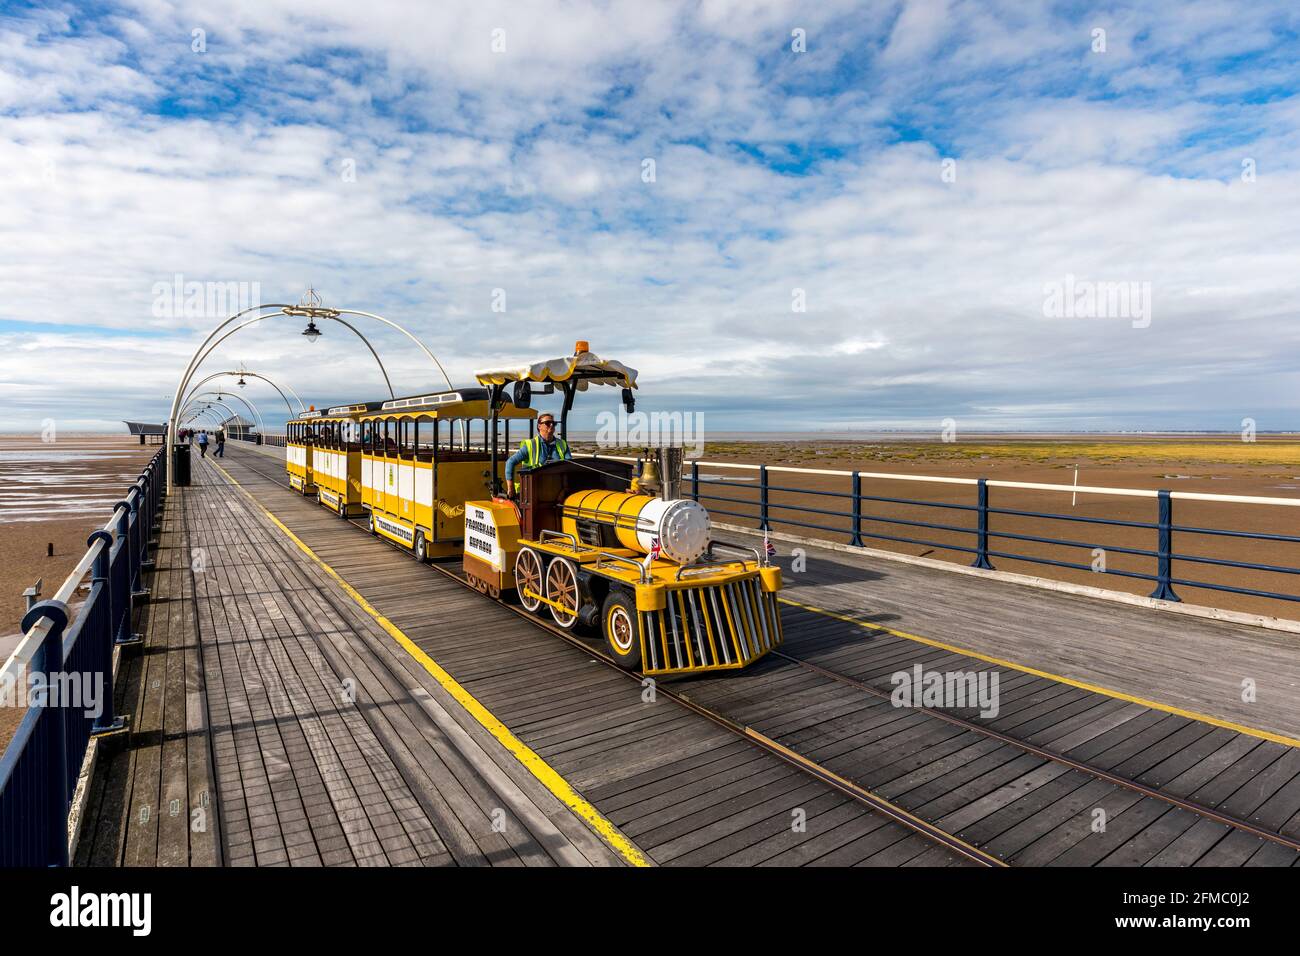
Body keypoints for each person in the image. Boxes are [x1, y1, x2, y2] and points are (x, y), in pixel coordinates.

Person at [505, 413, 570, 496]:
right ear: (539, 426)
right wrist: (511, 488)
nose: (551, 425)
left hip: (557, 492)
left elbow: (569, 466)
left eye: (553, 423)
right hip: (533, 492)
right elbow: (510, 462)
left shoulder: (562, 444)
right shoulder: (530, 445)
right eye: (547, 423)